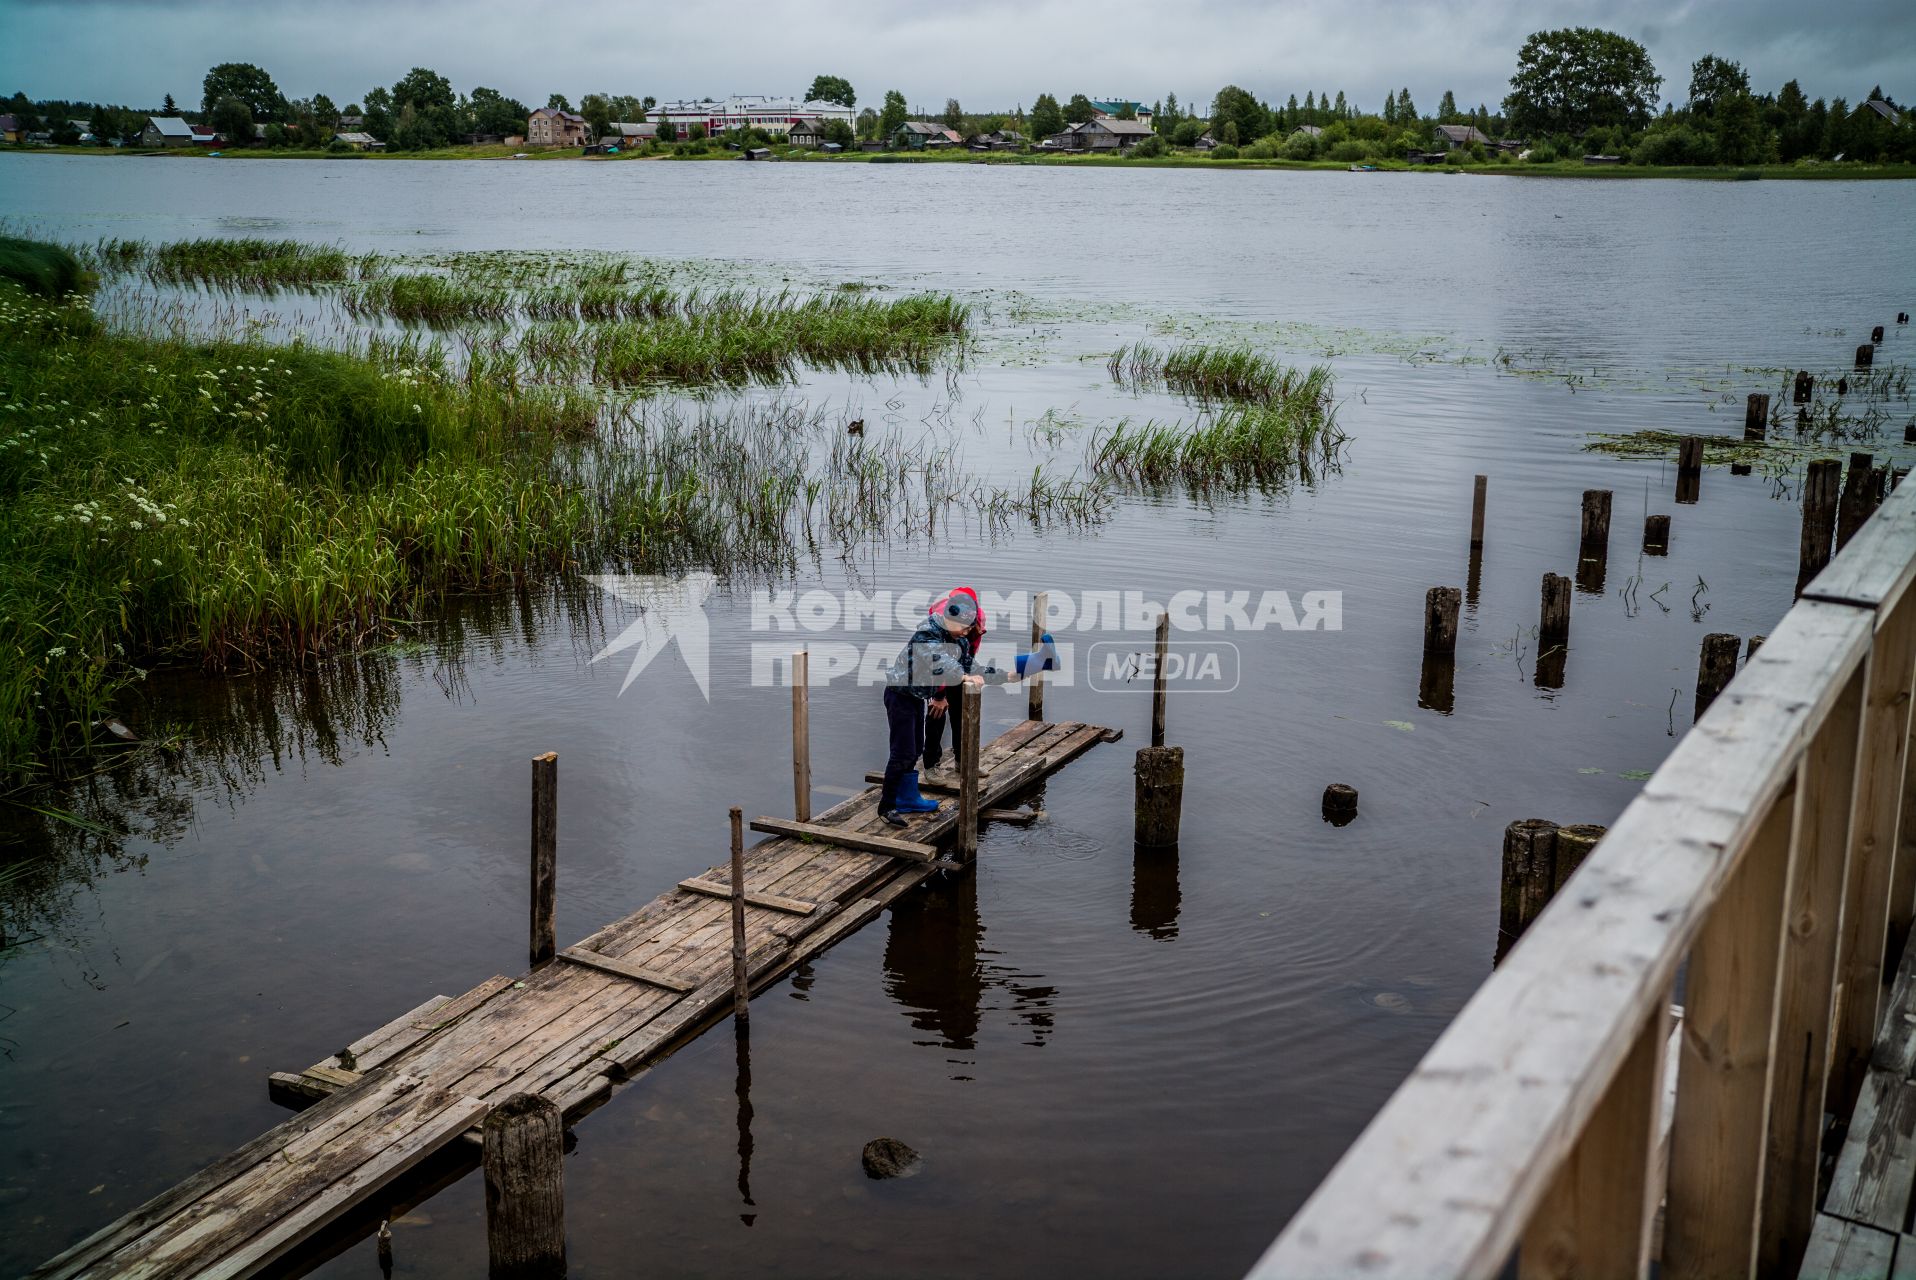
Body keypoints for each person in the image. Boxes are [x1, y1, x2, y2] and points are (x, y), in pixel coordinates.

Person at [879, 588, 1057, 828]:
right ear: (950, 619)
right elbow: (941, 663)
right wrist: (964, 678)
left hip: (916, 697)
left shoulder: (959, 639)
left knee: (914, 750)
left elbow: (976, 669)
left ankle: (908, 798)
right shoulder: (926, 634)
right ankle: (887, 806)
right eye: (964, 627)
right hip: (899, 695)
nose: (967, 632)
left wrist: (1015, 675)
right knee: (902, 752)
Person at [923, 586, 985, 774]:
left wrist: (965, 675)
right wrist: (940, 696)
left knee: (962, 710)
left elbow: (971, 650)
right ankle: (931, 765)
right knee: (937, 711)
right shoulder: (940, 620)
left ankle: (963, 761)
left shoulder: (978, 620)